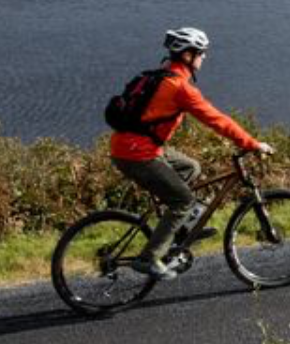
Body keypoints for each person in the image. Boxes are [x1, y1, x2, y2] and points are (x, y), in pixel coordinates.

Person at [109, 27, 275, 279]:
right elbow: (216, 119)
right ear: (188, 55)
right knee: (183, 200)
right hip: (138, 153)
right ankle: (149, 257)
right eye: (201, 53)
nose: (204, 57)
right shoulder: (179, 88)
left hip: (129, 146)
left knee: (190, 168)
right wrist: (252, 143)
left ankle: (179, 228)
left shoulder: (161, 76)